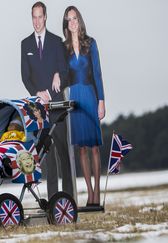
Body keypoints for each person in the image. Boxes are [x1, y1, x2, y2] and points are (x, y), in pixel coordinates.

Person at [20, 1, 73, 199]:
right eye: (33, 17)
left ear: (46, 17)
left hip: (58, 106)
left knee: (63, 153)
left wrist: (58, 74)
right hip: (39, 109)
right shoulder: (25, 44)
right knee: (48, 156)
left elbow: (66, 73)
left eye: (40, 16)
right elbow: (25, 76)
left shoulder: (57, 42)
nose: (36, 21)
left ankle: (69, 199)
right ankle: (53, 200)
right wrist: (38, 93)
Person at [62, 6, 105, 207]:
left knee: (94, 147)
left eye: (75, 18)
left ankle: (97, 192)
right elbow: (62, 75)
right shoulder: (64, 48)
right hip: (74, 97)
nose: (72, 22)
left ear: (80, 20)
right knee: (81, 149)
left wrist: (102, 101)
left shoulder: (91, 43)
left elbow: (97, 73)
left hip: (89, 95)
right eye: (68, 19)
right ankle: (89, 193)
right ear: (66, 23)